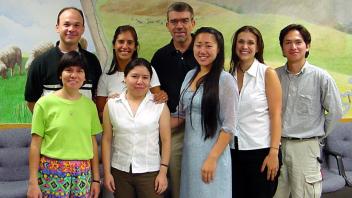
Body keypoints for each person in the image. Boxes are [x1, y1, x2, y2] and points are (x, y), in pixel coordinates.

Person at [273, 24, 343, 198]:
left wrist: (317, 135)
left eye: (298, 42)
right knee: (275, 194)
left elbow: (335, 112)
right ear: (282, 48)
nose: (293, 47)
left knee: (305, 194)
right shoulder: (274, 76)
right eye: (287, 42)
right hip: (276, 147)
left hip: (306, 148)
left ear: (307, 46)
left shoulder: (321, 77)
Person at [171, 27, 236, 198]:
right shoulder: (190, 75)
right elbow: (181, 114)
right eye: (198, 45)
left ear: (218, 49)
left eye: (208, 46)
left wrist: (212, 158)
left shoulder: (225, 80)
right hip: (190, 154)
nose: (202, 50)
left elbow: (229, 127)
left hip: (212, 155)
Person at [27, 51, 102, 198]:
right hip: (51, 172)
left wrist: (96, 179)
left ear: (85, 76)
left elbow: (92, 142)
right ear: (60, 74)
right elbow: (35, 145)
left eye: (80, 71)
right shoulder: (44, 104)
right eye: (68, 70)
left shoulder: (90, 106)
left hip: (83, 174)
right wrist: (33, 183)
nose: (74, 75)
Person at [102, 58, 171, 198]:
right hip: (120, 171)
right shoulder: (112, 105)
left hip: (150, 171)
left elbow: (166, 140)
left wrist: (163, 172)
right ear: (125, 78)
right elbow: (107, 140)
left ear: (150, 81)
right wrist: (107, 173)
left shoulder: (159, 106)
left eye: (145, 77)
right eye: (134, 76)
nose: (140, 81)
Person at [151, 2, 198, 197]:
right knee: (174, 182)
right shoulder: (160, 57)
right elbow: (153, 91)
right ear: (167, 25)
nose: (179, 26)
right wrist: (158, 94)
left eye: (185, 21)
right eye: (174, 21)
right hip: (172, 129)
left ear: (193, 23)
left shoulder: (203, 51)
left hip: (201, 129)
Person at [229, 26, 282, 198]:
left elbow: (276, 115)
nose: (245, 46)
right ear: (235, 45)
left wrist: (273, 152)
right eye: (241, 42)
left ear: (258, 47)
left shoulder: (267, 73)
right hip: (232, 152)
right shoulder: (228, 74)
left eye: (251, 42)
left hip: (261, 152)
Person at [25, 7, 102, 112]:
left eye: (76, 25)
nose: (71, 29)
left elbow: (96, 96)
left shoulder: (92, 61)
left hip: (85, 128)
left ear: (83, 29)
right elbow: (31, 102)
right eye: (66, 24)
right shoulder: (40, 63)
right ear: (57, 27)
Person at [96, 25, 165, 120]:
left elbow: (159, 102)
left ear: (135, 46)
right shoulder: (106, 77)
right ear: (113, 45)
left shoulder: (148, 70)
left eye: (130, 42)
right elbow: (100, 114)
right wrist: (110, 105)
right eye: (121, 42)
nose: (125, 46)